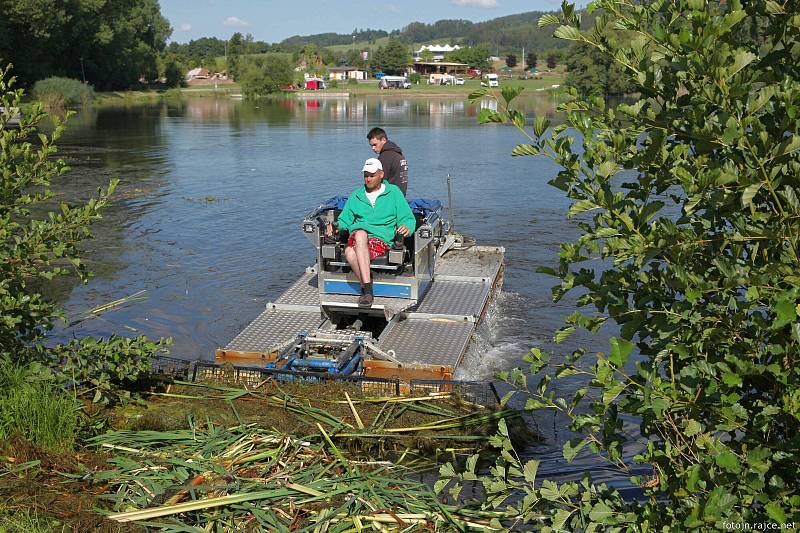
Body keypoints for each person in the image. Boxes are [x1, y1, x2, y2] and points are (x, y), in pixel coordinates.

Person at [327, 158, 416, 306]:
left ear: (381, 174)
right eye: (366, 175)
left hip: (381, 238)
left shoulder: (394, 193)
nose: (368, 178)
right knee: (356, 241)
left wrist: (406, 227)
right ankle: (367, 288)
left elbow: (408, 219)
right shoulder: (356, 195)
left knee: (352, 249)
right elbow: (344, 220)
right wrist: (335, 226)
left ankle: (365, 286)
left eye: (371, 175)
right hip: (358, 237)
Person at [367, 127, 408, 196]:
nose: (373, 148)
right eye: (371, 146)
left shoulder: (385, 157)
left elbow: (379, 181)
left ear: (383, 140)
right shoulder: (398, 153)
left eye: (375, 144)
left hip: (390, 198)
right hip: (400, 196)